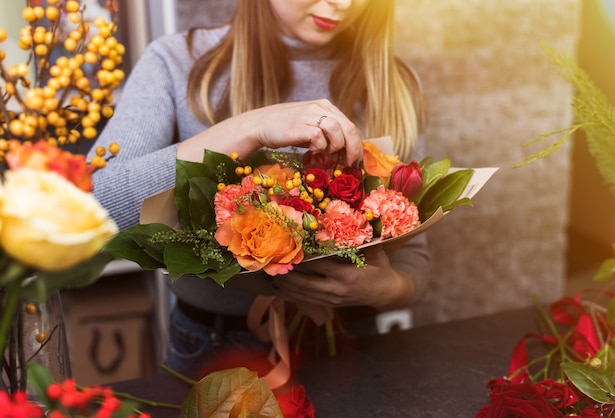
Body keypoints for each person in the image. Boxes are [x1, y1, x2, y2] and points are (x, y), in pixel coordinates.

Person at [89, 0, 430, 374]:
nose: (344, 4)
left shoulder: (393, 82)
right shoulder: (176, 62)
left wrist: (389, 289)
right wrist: (251, 128)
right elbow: (94, 207)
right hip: (215, 349)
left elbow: (415, 253)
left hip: (356, 344)